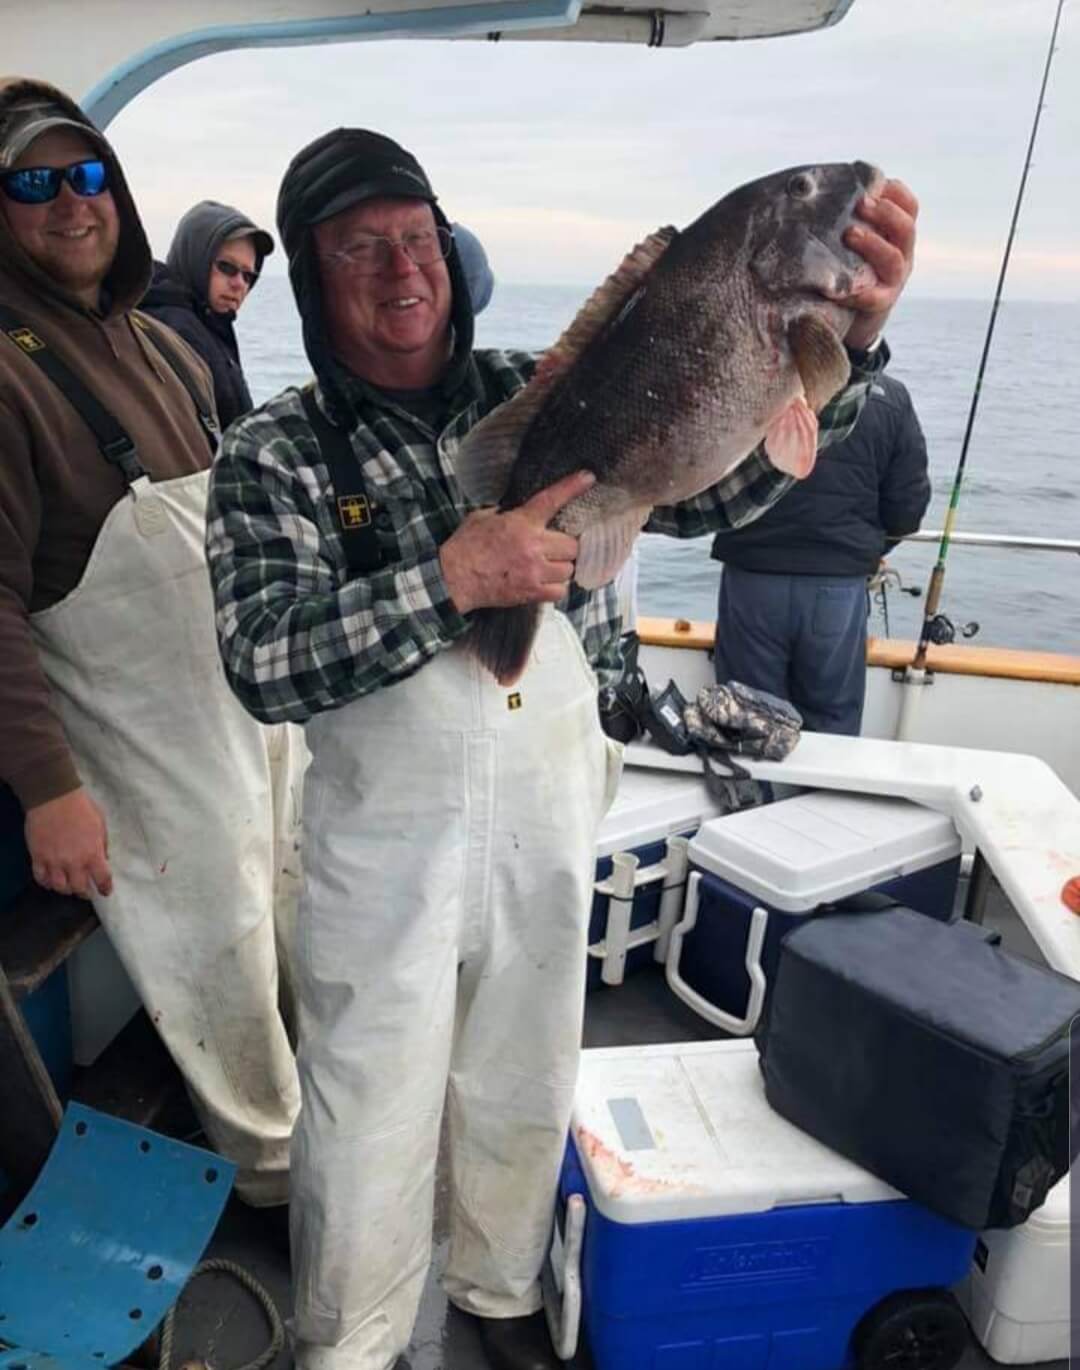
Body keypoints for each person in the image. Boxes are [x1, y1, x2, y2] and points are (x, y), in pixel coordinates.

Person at [204, 127, 917, 1370]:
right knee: (367, 1101)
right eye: (358, 248)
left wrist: (842, 350)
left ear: (452, 252)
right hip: (385, 845)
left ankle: (496, 1288)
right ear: (312, 281)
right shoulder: (276, 452)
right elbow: (262, 661)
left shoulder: (539, 391)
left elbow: (713, 491)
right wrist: (447, 579)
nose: (399, 267)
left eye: (416, 236)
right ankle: (352, 1337)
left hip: (547, 802)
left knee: (528, 1069)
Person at [0, 77, 303, 1207]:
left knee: (290, 890)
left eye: (87, 175)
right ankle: (275, 1180)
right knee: (218, 926)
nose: (71, 202)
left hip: (236, 709)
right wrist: (49, 791)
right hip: (131, 745)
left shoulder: (160, 348)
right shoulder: (7, 373)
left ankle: (320, 1117)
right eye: (33, 182)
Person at [711, 372, 931, 734]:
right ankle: (820, 790)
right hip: (837, 588)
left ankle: (761, 791)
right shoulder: (890, 396)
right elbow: (908, 508)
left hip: (753, 579)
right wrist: (870, 550)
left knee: (749, 721)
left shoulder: (750, 385)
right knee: (832, 722)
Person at [141, 199, 274, 429]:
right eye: (227, 267)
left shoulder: (209, 324)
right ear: (196, 257)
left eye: (248, 276)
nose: (239, 284)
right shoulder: (177, 329)